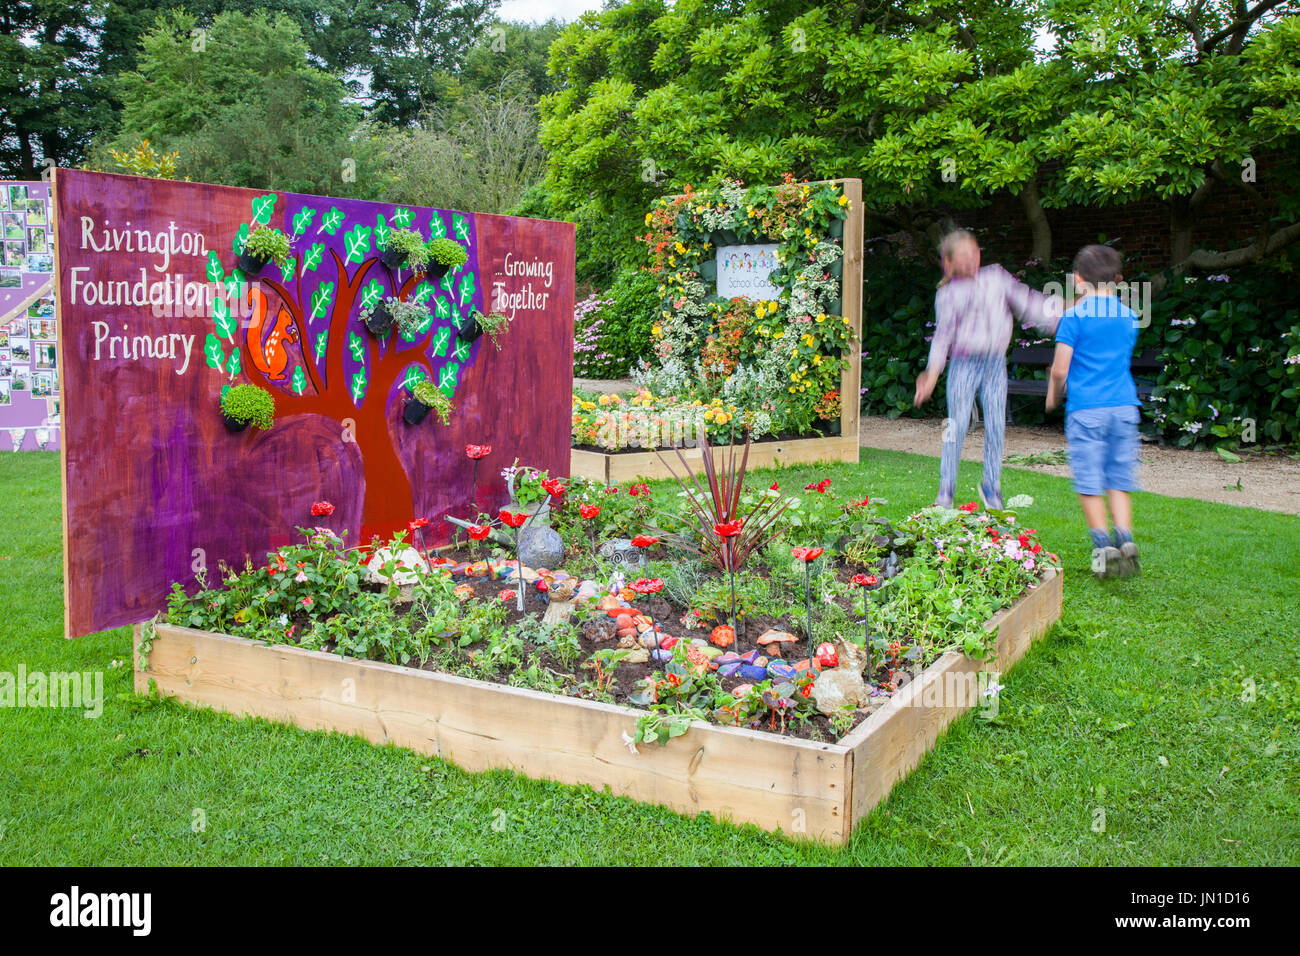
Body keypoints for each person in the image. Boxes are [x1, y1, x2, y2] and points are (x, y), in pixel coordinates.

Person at [915, 230, 1060, 508]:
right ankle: (946, 490)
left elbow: (1028, 303)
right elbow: (943, 337)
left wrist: (1059, 317)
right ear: (950, 263)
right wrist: (931, 375)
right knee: (955, 425)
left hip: (994, 364)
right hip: (963, 365)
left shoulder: (996, 278)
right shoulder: (947, 294)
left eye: (974, 253)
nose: (971, 260)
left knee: (996, 426)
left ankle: (991, 486)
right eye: (963, 256)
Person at [1045, 244, 1141, 578]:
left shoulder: (1073, 318)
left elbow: (1060, 369)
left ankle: (1103, 547)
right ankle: (1125, 539)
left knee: (1089, 482)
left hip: (1088, 410)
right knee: (1118, 479)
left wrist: (1053, 396)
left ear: (1077, 279)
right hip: (1125, 407)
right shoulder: (1129, 317)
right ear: (1117, 280)